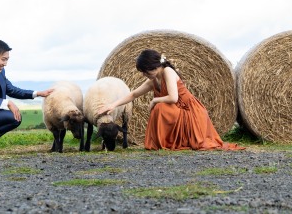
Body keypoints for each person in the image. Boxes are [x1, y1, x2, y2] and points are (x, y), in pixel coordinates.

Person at [96, 49, 242, 150]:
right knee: (159, 108)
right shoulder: (154, 79)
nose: (144, 75)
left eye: (145, 71)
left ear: (153, 66)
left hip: (189, 111)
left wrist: (154, 101)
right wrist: (112, 105)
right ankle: (165, 143)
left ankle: (170, 142)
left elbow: (173, 97)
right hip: (177, 109)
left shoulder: (168, 71)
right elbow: (133, 94)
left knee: (159, 107)